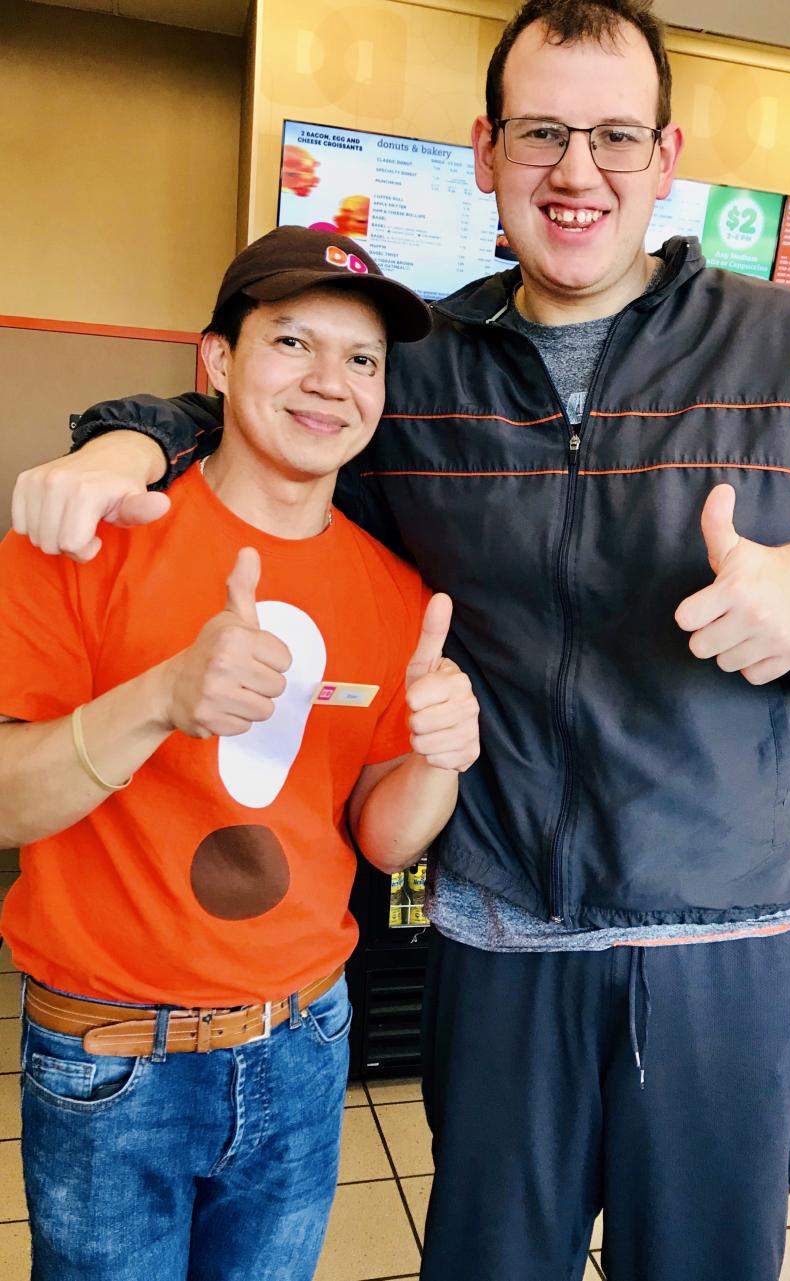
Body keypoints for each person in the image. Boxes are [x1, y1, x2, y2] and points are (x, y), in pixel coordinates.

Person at [11, 2, 790, 1278]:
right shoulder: (432, 365)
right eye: (543, 134)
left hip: (729, 936)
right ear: (486, 151)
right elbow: (269, 421)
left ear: (667, 158)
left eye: (616, 136)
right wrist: (128, 434)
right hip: (500, 930)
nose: (579, 173)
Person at [0, 225, 481, 1281]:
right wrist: (164, 698)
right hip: (109, 1058)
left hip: (302, 1047)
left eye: (361, 360)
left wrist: (442, 755)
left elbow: (384, 836)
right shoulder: (90, 535)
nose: (330, 384)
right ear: (217, 363)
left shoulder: (394, 589)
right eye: (293, 344)